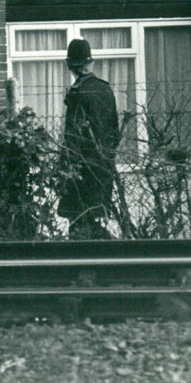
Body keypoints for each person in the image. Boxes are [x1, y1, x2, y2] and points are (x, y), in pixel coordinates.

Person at [56, 38, 120, 239]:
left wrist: (65, 165)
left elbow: (72, 134)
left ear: (70, 66)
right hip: (104, 163)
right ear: (89, 63)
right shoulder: (105, 88)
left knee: (78, 222)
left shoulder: (77, 92)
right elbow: (114, 129)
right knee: (97, 217)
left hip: (82, 165)